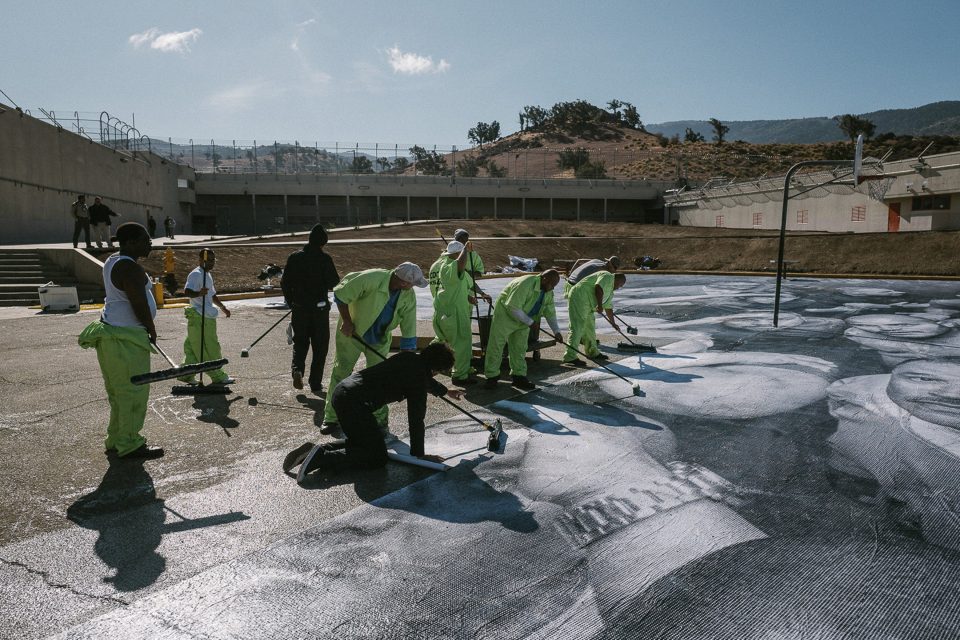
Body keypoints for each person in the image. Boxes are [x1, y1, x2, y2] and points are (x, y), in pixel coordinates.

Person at [290, 343, 464, 482]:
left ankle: (317, 450)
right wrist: (419, 454)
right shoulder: (418, 377)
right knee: (377, 456)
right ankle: (322, 457)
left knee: (363, 442)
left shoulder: (409, 358)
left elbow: (423, 379)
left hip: (343, 392)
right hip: (354, 402)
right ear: (434, 369)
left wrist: (446, 391)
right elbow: (416, 418)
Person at [77, 223, 163, 459]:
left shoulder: (113, 261)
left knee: (119, 392)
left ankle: (116, 439)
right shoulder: (130, 268)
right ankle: (130, 443)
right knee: (133, 393)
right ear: (131, 242)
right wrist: (151, 328)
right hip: (126, 338)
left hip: (112, 335)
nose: (150, 243)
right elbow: (139, 303)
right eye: (146, 239)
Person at [320, 262, 428, 435]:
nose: (412, 287)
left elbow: (409, 324)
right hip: (352, 333)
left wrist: (408, 356)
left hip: (379, 338)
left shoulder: (408, 295)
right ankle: (331, 418)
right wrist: (347, 321)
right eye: (411, 284)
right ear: (403, 281)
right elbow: (340, 294)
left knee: (380, 380)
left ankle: (379, 419)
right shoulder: (371, 278)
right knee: (341, 372)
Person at [280, 224, 340, 394]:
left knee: (300, 343)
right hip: (319, 311)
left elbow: (284, 282)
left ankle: (297, 370)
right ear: (324, 242)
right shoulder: (324, 259)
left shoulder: (295, 257)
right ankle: (315, 383)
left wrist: (291, 301)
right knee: (320, 347)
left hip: (299, 309)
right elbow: (334, 283)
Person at [484, 270, 563, 390]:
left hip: (524, 319)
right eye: (552, 284)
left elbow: (550, 312)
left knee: (519, 347)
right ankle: (492, 376)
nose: (553, 288)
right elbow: (513, 307)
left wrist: (556, 331)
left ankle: (518, 376)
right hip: (506, 315)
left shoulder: (547, 292)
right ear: (544, 279)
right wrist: (530, 322)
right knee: (496, 345)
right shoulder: (525, 284)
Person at [178, 249, 234, 385]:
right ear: (200, 260)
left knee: (193, 347)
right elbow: (187, 291)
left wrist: (222, 307)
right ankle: (217, 376)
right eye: (208, 260)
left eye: (213, 260)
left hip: (206, 315)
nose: (212, 262)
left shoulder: (207, 275)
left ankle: (186, 374)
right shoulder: (196, 274)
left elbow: (212, 295)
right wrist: (198, 293)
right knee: (208, 347)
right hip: (199, 316)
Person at [430, 240, 482, 385]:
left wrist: (469, 297)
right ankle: (460, 376)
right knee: (461, 345)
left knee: (444, 341)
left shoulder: (452, 270)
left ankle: (432, 365)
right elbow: (460, 264)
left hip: (448, 313)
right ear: (458, 254)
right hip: (454, 315)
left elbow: (457, 289)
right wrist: (465, 249)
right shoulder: (449, 267)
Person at [563, 271, 626, 366]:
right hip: (579, 297)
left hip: (588, 304)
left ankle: (592, 352)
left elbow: (608, 307)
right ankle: (570, 357)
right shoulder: (607, 276)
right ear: (617, 279)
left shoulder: (610, 292)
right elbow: (598, 288)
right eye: (620, 285)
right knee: (577, 327)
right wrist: (600, 306)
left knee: (590, 328)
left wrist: (613, 323)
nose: (619, 287)